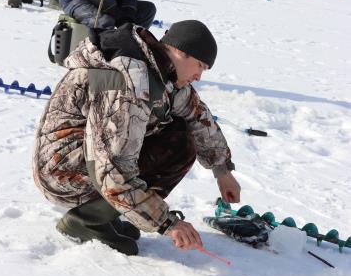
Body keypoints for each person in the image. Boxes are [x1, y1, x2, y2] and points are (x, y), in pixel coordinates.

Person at [33, 20, 241, 256]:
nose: (199, 76)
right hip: (63, 172)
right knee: (174, 147)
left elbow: (197, 115)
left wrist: (222, 170)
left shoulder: (162, 73)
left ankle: (105, 214)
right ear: (180, 52)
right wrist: (166, 222)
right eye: (200, 66)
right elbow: (112, 167)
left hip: (91, 160)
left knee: (180, 139)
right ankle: (87, 221)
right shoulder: (129, 79)